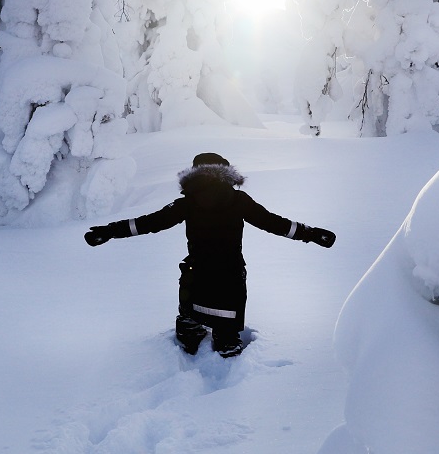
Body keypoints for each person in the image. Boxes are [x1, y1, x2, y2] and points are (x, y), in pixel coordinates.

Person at [85, 153, 335, 357]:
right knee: (228, 318)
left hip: (197, 270)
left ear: (195, 174)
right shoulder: (239, 200)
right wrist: (310, 233)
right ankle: (227, 341)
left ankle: (190, 333)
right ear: (225, 173)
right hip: (231, 271)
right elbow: (274, 223)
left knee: (190, 310)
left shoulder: (187, 202)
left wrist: (110, 231)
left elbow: (150, 222)